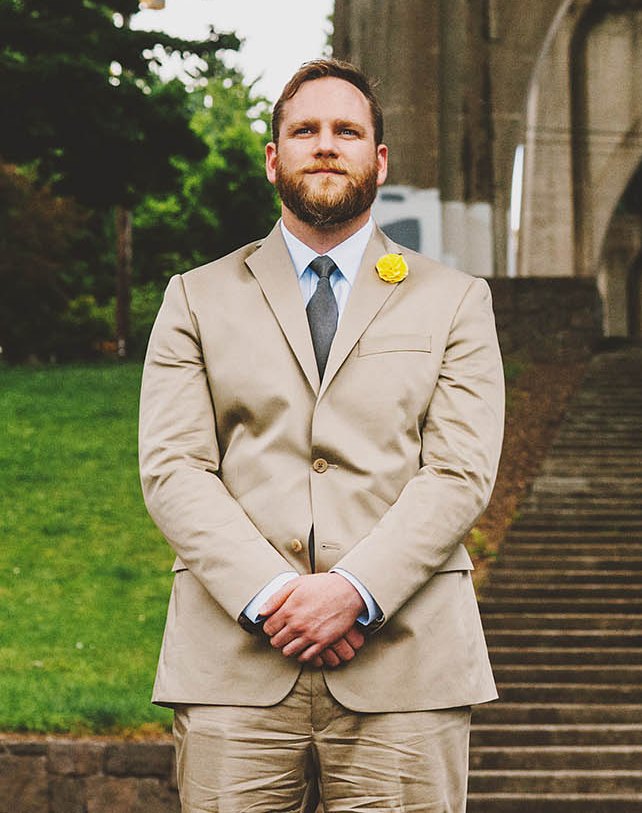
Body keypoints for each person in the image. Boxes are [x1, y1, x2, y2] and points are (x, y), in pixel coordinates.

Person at [139, 57, 504, 811]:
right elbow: (174, 468)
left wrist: (354, 590)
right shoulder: (194, 298)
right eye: (305, 129)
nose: (326, 144)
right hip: (234, 668)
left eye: (347, 130)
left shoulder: (456, 301)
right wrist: (277, 595)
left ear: (379, 158)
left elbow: (460, 471)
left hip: (406, 665)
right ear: (274, 159)